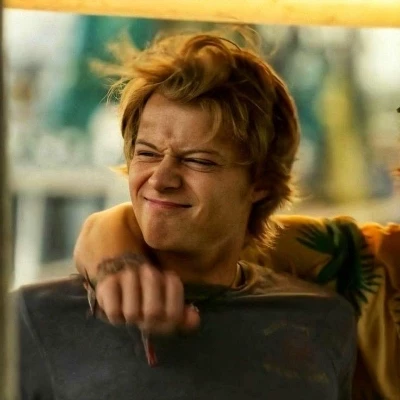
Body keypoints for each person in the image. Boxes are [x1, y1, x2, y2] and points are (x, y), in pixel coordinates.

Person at [18, 29, 357, 400]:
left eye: (198, 160)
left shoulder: (322, 322)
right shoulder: (35, 319)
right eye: (147, 153)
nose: (160, 179)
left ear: (260, 181)